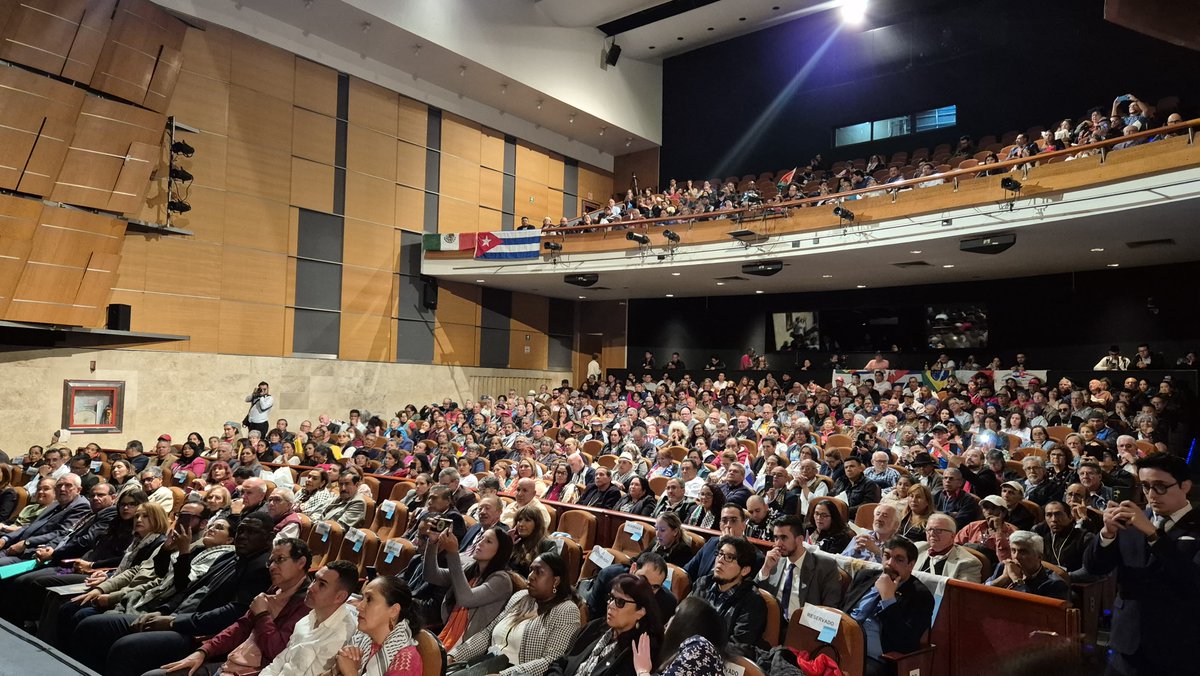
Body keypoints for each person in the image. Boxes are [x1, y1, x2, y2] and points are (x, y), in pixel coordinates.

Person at [69, 512, 275, 676]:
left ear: (269, 537)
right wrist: (163, 611)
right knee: (90, 625)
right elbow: (187, 589)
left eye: (252, 532)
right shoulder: (230, 557)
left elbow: (231, 614)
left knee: (125, 647)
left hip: (196, 632)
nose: (244, 536)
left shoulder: (261, 568)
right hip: (174, 615)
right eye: (242, 531)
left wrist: (173, 622)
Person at [1084, 454, 1200, 675]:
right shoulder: (1132, 518)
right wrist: (1106, 533)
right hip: (1128, 639)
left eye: (1161, 487)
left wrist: (1153, 534)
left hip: (1179, 642)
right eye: (1146, 487)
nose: (1151, 495)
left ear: (1185, 485)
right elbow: (1094, 568)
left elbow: (1192, 578)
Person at [150, 537, 316, 676]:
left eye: (280, 559)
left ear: (301, 562)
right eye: (271, 561)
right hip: (233, 659)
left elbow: (275, 650)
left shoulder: (306, 603)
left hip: (255, 671)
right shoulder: (276, 588)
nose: (272, 566)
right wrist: (203, 652)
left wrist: (262, 614)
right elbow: (241, 627)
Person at [447, 553, 581, 675]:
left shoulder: (566, 610)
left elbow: (551, 660)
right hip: (486, 664)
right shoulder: (520, 597)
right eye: (531, 570)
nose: (531, 576)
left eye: (539, 572)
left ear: (556, 581)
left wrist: (504, 675)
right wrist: (454, 656)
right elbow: (487, 634)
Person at [843, 537, 934, 675]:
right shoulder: (865, 576)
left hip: (874, 658)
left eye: (899, 559)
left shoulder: (920, 596)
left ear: (911, 565)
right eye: (887, 556)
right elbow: (842, 612)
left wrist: (888, 599)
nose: (890, 563)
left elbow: (905, 643)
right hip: (841, 643)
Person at [545, 573, 663, 676]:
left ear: (640, 612)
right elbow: (561, 662)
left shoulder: (638, 652)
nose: (611, 605)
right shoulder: (597, 626)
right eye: (611, 598)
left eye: (620, 602)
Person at [423, 525, 514, 652]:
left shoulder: (501, 580)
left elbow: (465, 599)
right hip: (450, 634)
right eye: (481, 538)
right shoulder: (471, 568)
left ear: (500, 551)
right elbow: (431, 575)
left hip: (472, 646)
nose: (480, 543)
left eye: (488, 541)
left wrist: (453, 553)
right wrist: (433, 543)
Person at [756, 515, 841, 640]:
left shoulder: (825, 567)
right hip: (771, 629)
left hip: (804, 634)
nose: (778, 544)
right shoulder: (774, 561)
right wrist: (765, 569)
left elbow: (831, 611)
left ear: (800, 539)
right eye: (776, 538)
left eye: (784, 538)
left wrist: (823, 645)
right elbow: (755, 598)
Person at [332, 575, 424, 676]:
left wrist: (350, 672)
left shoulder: (406, 661)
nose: (359, 607)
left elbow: (350, 671)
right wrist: (336, 669)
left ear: (394, 611)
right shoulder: (362, 641)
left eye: (369, 599)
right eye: (362, 598)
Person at [0, 473, 91, 565]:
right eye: (59, 485)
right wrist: (5, 538)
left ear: (78, 490)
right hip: (17, 546)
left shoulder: (81, 506)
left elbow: (61, 533)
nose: (62, 489)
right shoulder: (56, 504)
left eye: (68, 485)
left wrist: (27, 543)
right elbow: (32, 525)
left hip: (36, 552)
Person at [631, 597, 728, 675]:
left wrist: (642, 671)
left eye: (676, 614)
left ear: (687, 623)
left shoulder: (701, 648)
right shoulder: (676, 655)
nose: (670, 619)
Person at [586, 551, 678, 622]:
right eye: (643, 580)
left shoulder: (667, 604)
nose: (646, 589)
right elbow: (592, 615)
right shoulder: (608, 576)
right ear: (633, 569)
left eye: (654, 587)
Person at [985, 530, 1069, 600]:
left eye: (1023, 552)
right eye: (1013, 550)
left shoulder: (1054, 584)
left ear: (1039, 557)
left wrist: (1016, 579)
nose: (1016, 556)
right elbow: (982, 593)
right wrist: (1003, 578)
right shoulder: (1003, 567)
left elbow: (1030, 611)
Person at [913, 513, 983, 583]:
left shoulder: (968, 563)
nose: (931, 534)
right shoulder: (917, 548)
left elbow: (964, 592)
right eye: (929, 529)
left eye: (938, 530)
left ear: (952, 536)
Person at [508, 505, 547, 577]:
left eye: (527, 520)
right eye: (519, 520)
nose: (521, 524)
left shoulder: (545, 545)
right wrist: (507, 545)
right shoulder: (512, 540)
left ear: (537, 524)